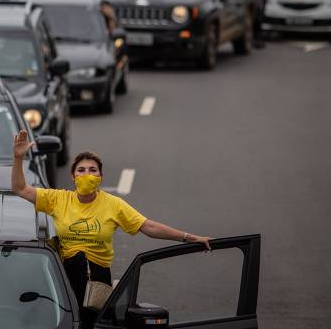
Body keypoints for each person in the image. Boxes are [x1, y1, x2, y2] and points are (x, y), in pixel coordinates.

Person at [11, 130, 210, 329]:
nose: (87, 174)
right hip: (65, 278)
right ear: (72, 176)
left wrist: (189, 237)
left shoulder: (113, 204)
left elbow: (148, 226)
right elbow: (20, 188)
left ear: (100, 176)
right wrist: (18, 158)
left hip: (98, 282)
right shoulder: (58, 199)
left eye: (93, 170)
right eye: (81, 170)